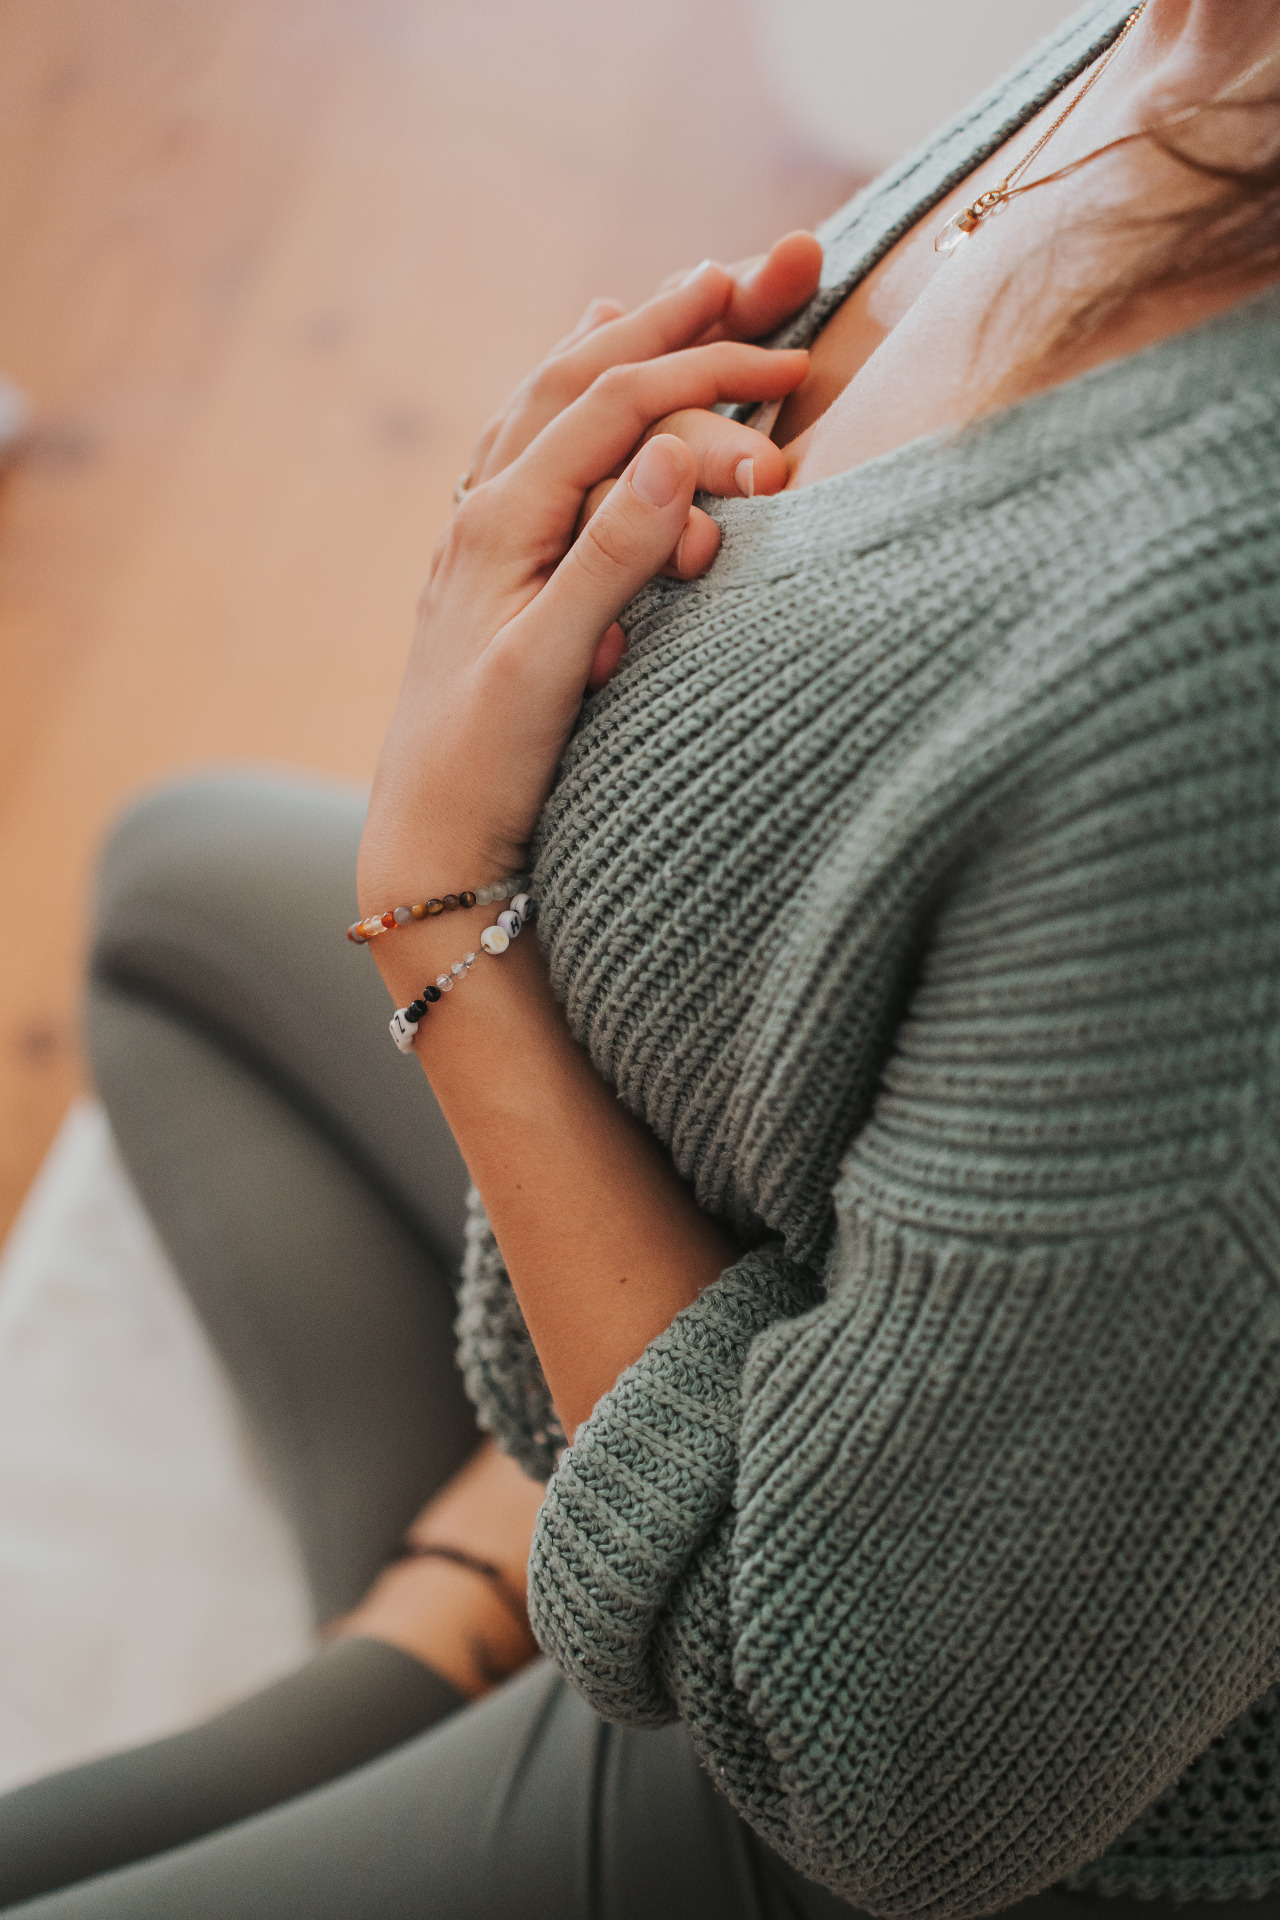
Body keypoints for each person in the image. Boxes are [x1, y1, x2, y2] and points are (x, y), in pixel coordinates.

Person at [2, 0, 1279, 1911]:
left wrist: (440, 898)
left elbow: (881, 1763)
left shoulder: (1229, 681)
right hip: (755, 1243)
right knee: (176, 903)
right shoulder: (1184, 43)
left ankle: (486, 1616)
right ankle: (488, 1599)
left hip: (879, 1773)